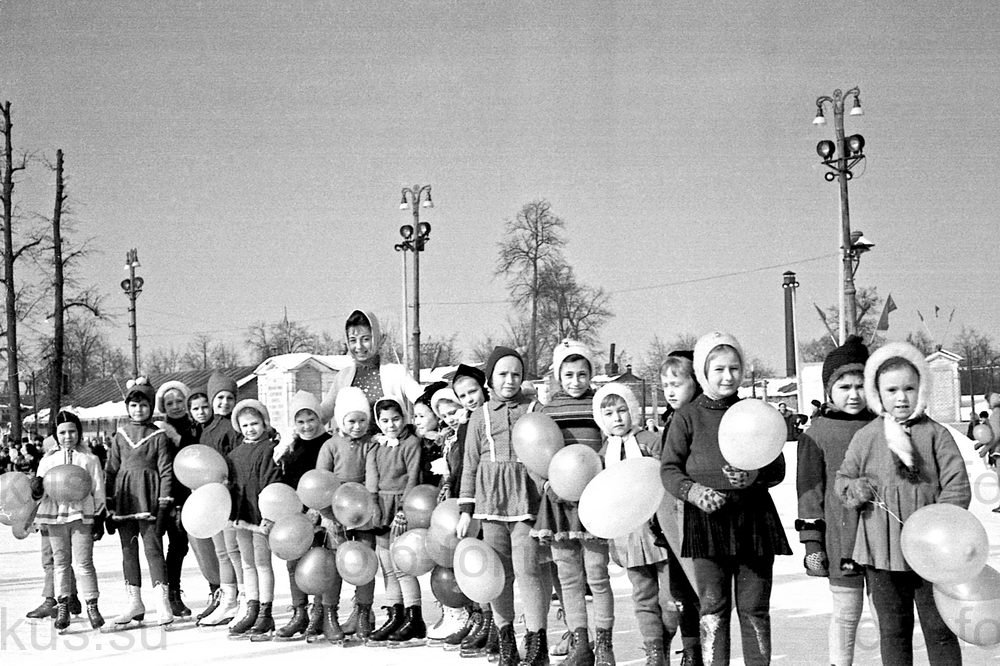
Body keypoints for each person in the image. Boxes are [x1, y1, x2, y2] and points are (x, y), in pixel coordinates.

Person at [660, 332, 791, 665]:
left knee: (754, 608)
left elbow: (777, 466)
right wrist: (695, 492)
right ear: (704, 372)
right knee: (713, 607)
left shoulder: (755, 411)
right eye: (718, 369)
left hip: (753, 520)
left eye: (734, 368)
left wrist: (755, 475)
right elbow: (669, 470)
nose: (727, 376)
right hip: (707, 522)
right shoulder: (687, 416)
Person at [836, 342, 970, 666]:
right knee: (893, 632)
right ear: (877, 394)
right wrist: (856, 488)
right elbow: (842, 481)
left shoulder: (937, 434)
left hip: (932, 555)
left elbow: (958, 486)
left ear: (921, 389)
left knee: (940, 629)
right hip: (882, 554)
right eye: (892, 389)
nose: (901, 397)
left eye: (909, 388)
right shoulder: (866, 436)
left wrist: (935, 525)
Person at [457, 346, 551, 666]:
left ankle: (538, 642)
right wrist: (465, 509)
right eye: (502, 374)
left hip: (526, 498)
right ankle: (505, 637)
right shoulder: (480, 415)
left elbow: (547, 450)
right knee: (499, 573)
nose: (509, 380)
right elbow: (469, 465)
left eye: (516, 374)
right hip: (490, 501)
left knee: (529, 571)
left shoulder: (535, 408)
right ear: (490, 378)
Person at [530, 340, 614, 665]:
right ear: (557, 375)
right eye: (568, 374)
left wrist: (603, 473)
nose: (575, 381)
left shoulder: (600, 405)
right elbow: (537, 452)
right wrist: (545, 481)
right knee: (567, 576)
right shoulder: (548, 410)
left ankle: (605, 645)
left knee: (597, 573)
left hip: (594, 500)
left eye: (582, 374)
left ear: (591, 374)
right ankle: (581, 642)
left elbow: (610, 442)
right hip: (558, 502)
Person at [795, 335, 876, 666]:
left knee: (888, 614)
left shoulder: (881, 425)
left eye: (860, 385)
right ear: (829, 390)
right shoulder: (817, 433)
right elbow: (809, 492)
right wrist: (812, 544)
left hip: (884, 539)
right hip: (842, 540)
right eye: (844, 387)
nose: (854, 394)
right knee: (846, 614)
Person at [105, 377, 175, 628]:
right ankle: (134, 602)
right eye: (133, 405)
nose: (138, 410)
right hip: (125, 500)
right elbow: (111, 471)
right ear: (127, 408)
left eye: (143, 405)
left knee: (153, 550)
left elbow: (166, 470)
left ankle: (162, 603)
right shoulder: (120, 435)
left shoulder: (158, 435)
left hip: (150, 499)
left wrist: (164, 502)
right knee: (128, 552)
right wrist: (109, 504)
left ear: (151, 406)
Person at [31, 410, 106, 631]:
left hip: (82, 514)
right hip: (55, 517)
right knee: (61, 563)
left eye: (72, 431)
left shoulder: (90, 459)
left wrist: (99, 516)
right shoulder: (48, 460)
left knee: (84, 563)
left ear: (79, 432)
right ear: (55, 435)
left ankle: (92, 604)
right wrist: (36, 489)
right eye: (62, 432)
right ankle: (63, 605)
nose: (67, 436)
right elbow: (41, 489)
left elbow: (98, 489)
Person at [314, 386, 379, 642]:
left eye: (362, 420)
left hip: (363, 513)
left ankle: (363, 613)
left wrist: (370, 506)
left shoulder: (371, 445)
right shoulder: (330, 446)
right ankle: (330, 614)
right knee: (336, 564)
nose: (357, 426)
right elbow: (320, 482)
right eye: (351, 421)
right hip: (335, 513)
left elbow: (373, 476)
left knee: (364, 562)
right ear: (341, 421)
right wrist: (326, 513)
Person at [366, 396, 426, 645]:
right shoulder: (377, 446)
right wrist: (374, 507)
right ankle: (395, 613)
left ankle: (415, 617)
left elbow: (413, 476)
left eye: (396, 419)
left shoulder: (411, 444)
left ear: (404, 418)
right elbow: (373, 478)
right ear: (378, 422)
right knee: (387, 565)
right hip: (382, 506)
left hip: (402, 505)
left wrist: (404, 509)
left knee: (402, 563)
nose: (391, 425)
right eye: (385, 420)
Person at [656, 352, 703, 665]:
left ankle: (700, 651)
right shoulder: (670, 420)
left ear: (695, 382)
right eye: (665, 386)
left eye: (677, 384)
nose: (670, 391)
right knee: (679, 591)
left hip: (694, 516)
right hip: (671, 520)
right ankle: (688, 651)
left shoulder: (696, 417)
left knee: (697, 589)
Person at [273, 390, 332, 640]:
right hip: (295, 515)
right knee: (293, 563)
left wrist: (317, 510)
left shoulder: (327, 443)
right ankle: (300, 612)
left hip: (319, 514)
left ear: (319, 418)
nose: (306, 426)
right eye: (300, 421)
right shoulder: (291, 446)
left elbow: (329, 479)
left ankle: (319, 611)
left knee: (316, 563)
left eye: (311, 419)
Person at [226, 399, 281, 639]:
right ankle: (252, 606)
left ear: (264, 423)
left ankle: (266, 612)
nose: (250, 429)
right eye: (245, 425)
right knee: (247, 563)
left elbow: (272, 483)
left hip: (260, 516)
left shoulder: (270, 449)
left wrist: (269, 515)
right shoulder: (234, 454)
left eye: (255, 423)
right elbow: (232, 486)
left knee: (262, 563)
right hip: (241, 515)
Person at [196, 372, 246, 627]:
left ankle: (245, 599)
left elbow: (238, 461)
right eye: (219, 398)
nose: (224, 403)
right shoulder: (208, 429)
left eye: (229, 398)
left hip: (231, 497)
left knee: (234, 552)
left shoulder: (235, 427)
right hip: (212, 499)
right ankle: (228, 600)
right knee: (221, 552)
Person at [319, 309, 422, 429]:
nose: (359, 346)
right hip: (353, 446)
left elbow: (422, 401)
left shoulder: (396, 373)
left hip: (390, 445)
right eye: (353, 340)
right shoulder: (342, 377)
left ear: (377, 338)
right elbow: (323, 414)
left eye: (366, 339)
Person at [155, 380, 199, 618]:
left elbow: (195, 452)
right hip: (169, 492)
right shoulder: (159, 427)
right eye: (169, 403)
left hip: (192, 490)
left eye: (179, 401)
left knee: (185, 545)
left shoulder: (194, 425)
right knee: (176, 543)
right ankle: (171, 594)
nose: (175, 406)